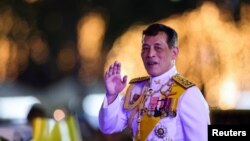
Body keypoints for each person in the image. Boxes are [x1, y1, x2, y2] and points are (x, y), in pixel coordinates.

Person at [99, 23, 210, 141]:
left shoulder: (188, 94)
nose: (150, 54)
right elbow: (108, 127)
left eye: (158, 48)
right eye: (145, 48)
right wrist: (111, 95)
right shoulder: (136, 89)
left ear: (174, 53)